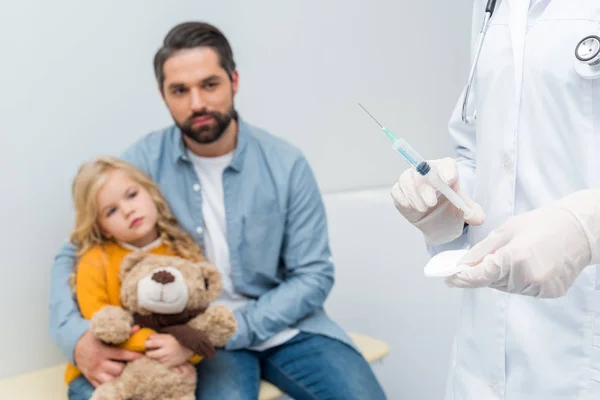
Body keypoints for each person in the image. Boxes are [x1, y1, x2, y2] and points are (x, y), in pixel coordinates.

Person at [49, 21, 386, 400]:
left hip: (287, 329)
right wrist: (75, 337)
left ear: (234, 81)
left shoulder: (286, 164)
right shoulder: (141, 163)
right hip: (191, 340)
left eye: (209, 85)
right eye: (180, 90)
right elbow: (74, 250)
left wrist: (220, 330)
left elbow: (313, 275)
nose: (197, 104)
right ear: (164, 96)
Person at [391, 0, 600, 398]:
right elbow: (479, 147)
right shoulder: (492, 4)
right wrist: (446, 202)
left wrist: (587, 225)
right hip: (481, 361)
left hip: (582, 355)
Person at [66, 156, 206, 399]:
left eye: (132, 195)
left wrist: (186, 349)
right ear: (102, 228)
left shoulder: (181, 252)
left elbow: (200, 317)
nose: (128, 210)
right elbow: (101, 324)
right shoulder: (96, 260)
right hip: (107, 371)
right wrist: (156, 343)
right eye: (111, 211)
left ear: (150, 192)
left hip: (168, 368)